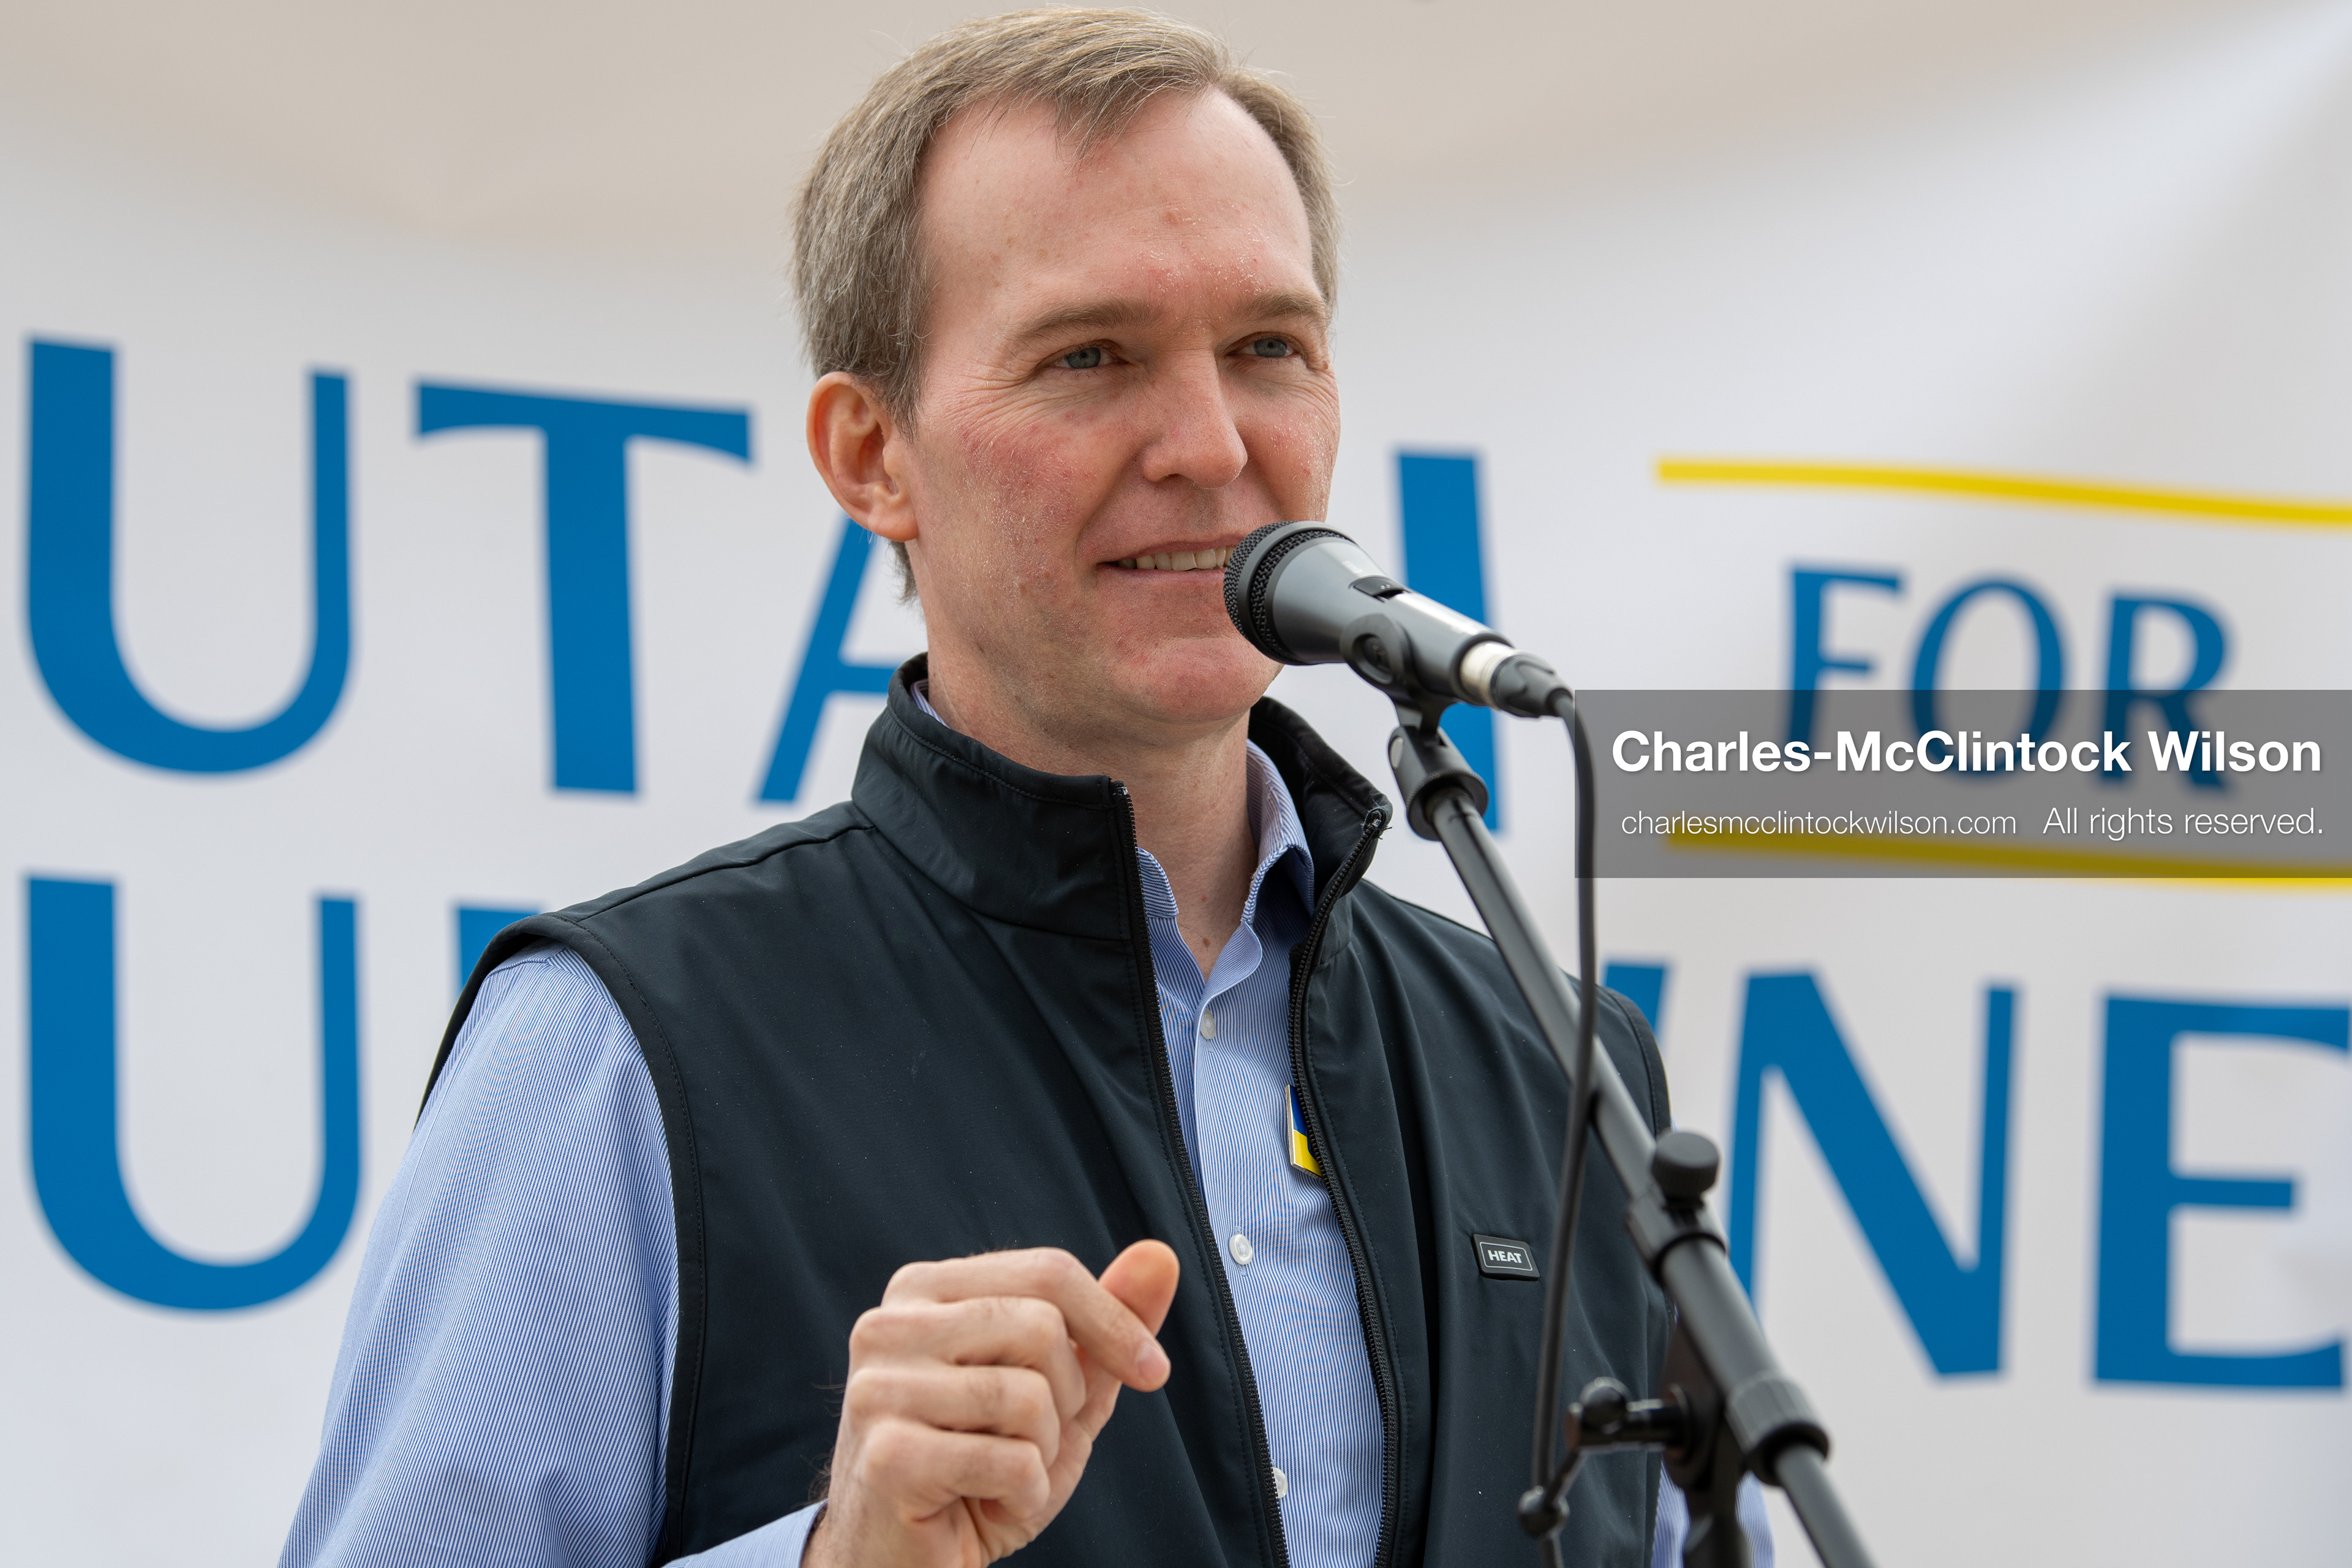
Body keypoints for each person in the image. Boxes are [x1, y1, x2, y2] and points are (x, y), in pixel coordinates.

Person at [280, 10, 1754, 1566]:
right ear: (872, 456)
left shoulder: (1562, 1067)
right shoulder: (621, 1044)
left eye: (1269, 347)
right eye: (1091, 356)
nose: (1208, 442)